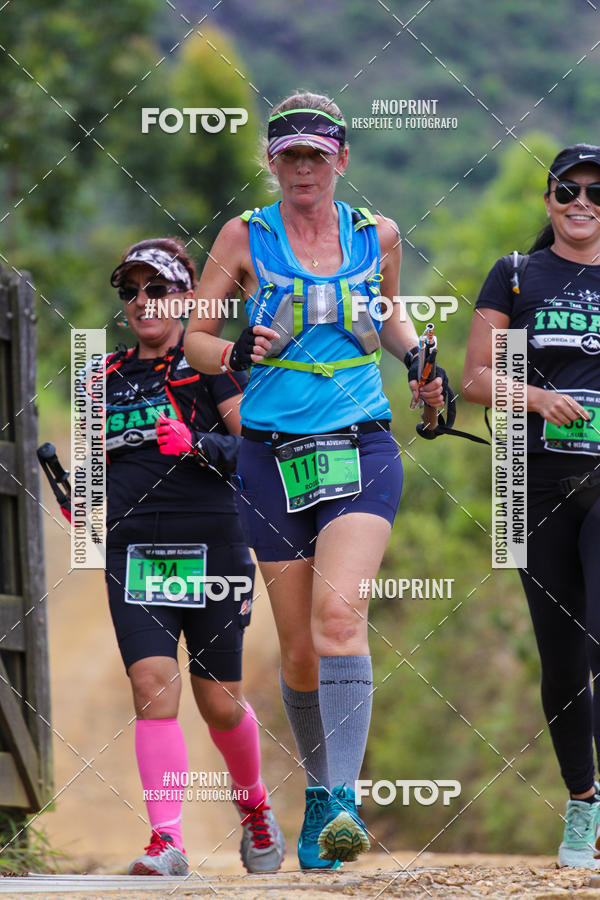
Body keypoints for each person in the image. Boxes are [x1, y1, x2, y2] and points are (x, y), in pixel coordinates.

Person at [184, 92, 448, 869]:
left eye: (317, 155)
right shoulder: (245, 236)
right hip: (270, 453)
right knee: (299, 650)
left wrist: (416, 361)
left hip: (360, 442)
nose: (304, 168)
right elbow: (197, 337)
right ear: (272, 162)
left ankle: (339, 802)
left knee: (340, 618)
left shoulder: (377, 234)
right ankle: (319, 791)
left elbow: (390, 316)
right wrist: (237, 352)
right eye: (290, 155)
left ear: (342, 159)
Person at [100, 237, 284, 876]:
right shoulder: (105, 376)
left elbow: (259, 452)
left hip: (214, 544)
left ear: (183, 297)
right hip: (135, 551)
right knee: (152, 686)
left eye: (156, 288)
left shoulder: (210, 365)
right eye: (131, 291)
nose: (143, 301)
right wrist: (83, 506)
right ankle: (167, 840)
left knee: (219, 701)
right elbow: (101, 472)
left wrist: (199, 444)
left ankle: (255, 807)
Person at [462, 144, 600, 868]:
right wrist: (540, 397)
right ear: (548, 199)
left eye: (595, 192)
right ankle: (583, 803)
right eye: (566, 190)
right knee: (561, 651)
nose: (581, 202)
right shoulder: (518, 273)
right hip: (533, 478)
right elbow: (477, 377)